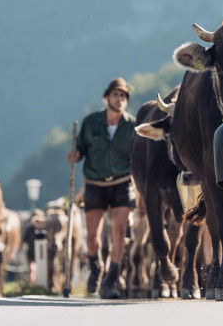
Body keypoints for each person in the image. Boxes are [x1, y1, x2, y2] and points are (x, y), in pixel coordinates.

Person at [67, 77, 136, 298]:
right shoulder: (90, 122)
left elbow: (136, 158)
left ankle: (111, 280)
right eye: (116, 94)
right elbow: (81, 149)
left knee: (119, 229)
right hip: (94, 184)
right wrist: (76, 155)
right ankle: (96, 266)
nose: (120, 99)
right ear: (106, 98)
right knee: (92, 238)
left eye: (123, 96)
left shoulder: (132, 126)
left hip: (122, 183)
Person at [22, 208, 47, 284]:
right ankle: (32, 283)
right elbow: (24, 240)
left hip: (42, 252)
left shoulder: (45, 228)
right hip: (31, 251)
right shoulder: (29, 229)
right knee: (31, 269)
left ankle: (41, 283)